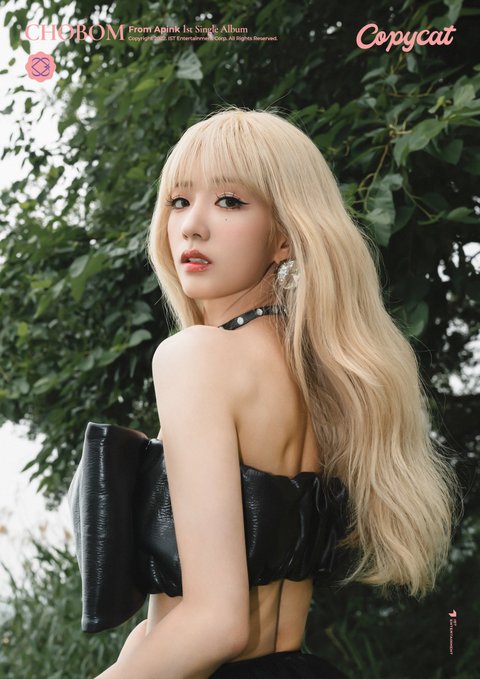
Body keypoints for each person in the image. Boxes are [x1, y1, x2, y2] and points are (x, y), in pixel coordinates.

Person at [68, 106, 462, 678]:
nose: (192, 225)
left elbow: (215, 622)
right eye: (179, 200)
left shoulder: (197, 356)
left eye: (230, 201)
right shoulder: (322, 373)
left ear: (284, 236)